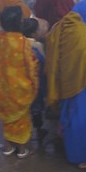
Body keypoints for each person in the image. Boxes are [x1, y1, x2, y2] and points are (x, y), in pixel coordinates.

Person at [45, 0, 86, 169]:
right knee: (82, 120)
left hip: (65, 81)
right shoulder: (79, 32)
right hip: (80, 84)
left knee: (70, 117)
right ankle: (81, 157)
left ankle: (73, 151)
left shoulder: (63, 24)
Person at [0, 6, 38, 158]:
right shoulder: (22, 42)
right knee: (21, 119)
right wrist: (34, 82)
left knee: (7, 119)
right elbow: (30, 66)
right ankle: (22, 149)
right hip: (19, 88)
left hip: (2, 86)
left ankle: (8, 147)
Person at [22, 17, 48, 145]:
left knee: (26, 107)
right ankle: (38, 130)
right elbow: (43, 61)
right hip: (36, 80)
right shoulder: (37, 45)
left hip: (22, 79)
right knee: (37, 106)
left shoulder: (19, 42)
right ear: (34, 33)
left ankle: (25, 131)